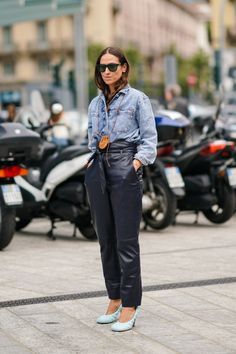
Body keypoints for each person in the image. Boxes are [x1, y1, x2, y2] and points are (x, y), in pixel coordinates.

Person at [85, 47, 157, 332]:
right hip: (99, 165)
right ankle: (114, 298)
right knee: (105, 239)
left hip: (125, 164)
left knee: (126, 241)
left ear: (124, 67)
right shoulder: (95, 103)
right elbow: (92, 139)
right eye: (102, 67)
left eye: (112, 66)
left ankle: (130, 304)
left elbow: (150, 139)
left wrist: (135, 164)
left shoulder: (138, 99)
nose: (106, 72)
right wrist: (91, 165)